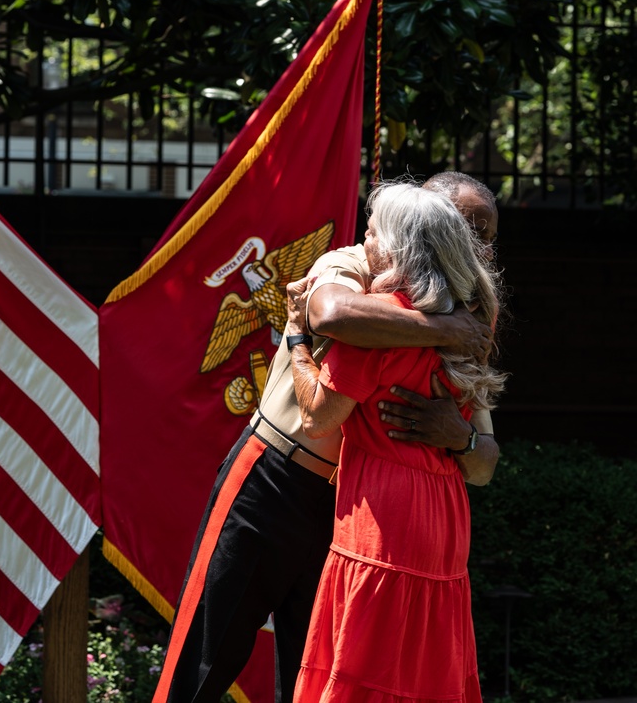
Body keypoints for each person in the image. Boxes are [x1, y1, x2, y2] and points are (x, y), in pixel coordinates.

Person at [151, 173, 501, 703]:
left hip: (357, 511)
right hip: (274, 482)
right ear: (427, 226)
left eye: (485, 235)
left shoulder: (469, 319)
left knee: (313, 676)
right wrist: (438, 326)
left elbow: (485, 463)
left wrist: (460, 438)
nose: (478, 247)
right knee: (204, 655)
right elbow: (332, 313)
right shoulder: (358, 262)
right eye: (465, 228)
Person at [291, 180, 506, 703]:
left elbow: (319, 418)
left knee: (368, 667)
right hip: (444, 514)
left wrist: (298, 340)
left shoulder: (377, 324)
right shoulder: (471, 324)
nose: (363, 240)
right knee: (424, 669)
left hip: (383, 516)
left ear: (399, 245)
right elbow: (483, 460)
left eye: (372, 230)